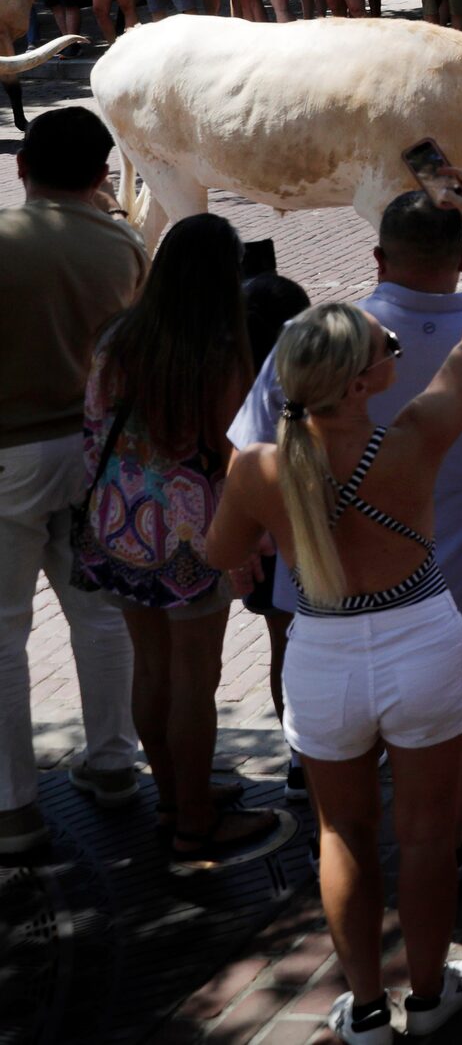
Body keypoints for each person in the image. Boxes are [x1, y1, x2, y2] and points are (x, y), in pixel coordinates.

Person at [204, 180, 462, 1043]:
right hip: (421, 641)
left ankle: (366, 1011)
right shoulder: (412, 438)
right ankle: (429, 989)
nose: (391, 347)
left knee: (342, 832)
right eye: (382, 346)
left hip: (324, 653)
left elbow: (224, 556)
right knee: (425, 835)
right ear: (363, 381)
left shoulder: (261, 466)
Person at [232, 191, 462, 828]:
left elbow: (252, 440)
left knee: (341, 827)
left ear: (377, 257)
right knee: (455, 747)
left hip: (326, 599)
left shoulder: (314, 340)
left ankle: (316, 795)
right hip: (455, 590)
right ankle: (452, 843)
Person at [69, 213, 294, 864]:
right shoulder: (220, 350)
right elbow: (237, 452)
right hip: (194, 540)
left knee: (153, 668)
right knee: (197, 676)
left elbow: (94, 424)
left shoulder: (117, 336)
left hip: (120, 530)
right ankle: (195, 821)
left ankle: (174, 794)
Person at [0, 108, 147, 859]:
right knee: (97, 613)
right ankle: (115, 763)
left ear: (22, 167)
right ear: (99, 175)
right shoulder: (122, 243)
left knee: (4, 630)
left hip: (10, 455)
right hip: (93, 451)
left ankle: (13, 806)